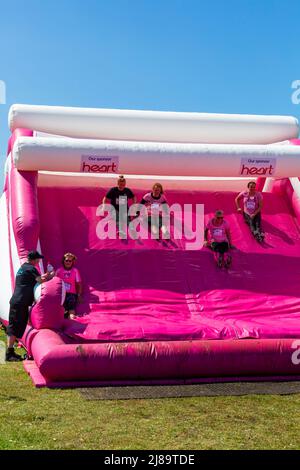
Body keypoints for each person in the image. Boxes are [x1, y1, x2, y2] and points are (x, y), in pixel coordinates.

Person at [6, 251, 54, 362]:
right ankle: (9, 353)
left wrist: (46, 274)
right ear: (33, 259)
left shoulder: (24, 267)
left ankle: (11, 352)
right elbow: (41, 280)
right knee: (14, 327)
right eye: (38, 259)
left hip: (19, 301)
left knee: (16, 326)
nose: (39, 261)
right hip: (20, 302)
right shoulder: (31, 268)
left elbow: (37, 278)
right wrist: (51, 274)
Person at [56, 253, 82, 320]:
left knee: (71, 312)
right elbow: (54, 283)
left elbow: (79, 284)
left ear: (72, 262)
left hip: (71, 294)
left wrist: (79, 295)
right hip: (61, 294)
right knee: (61, 312)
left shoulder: (75, 271)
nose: (68, 262)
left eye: (70, 261)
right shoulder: (58, 271)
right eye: (66, 260)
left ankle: (71, 326)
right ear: (63, 261)